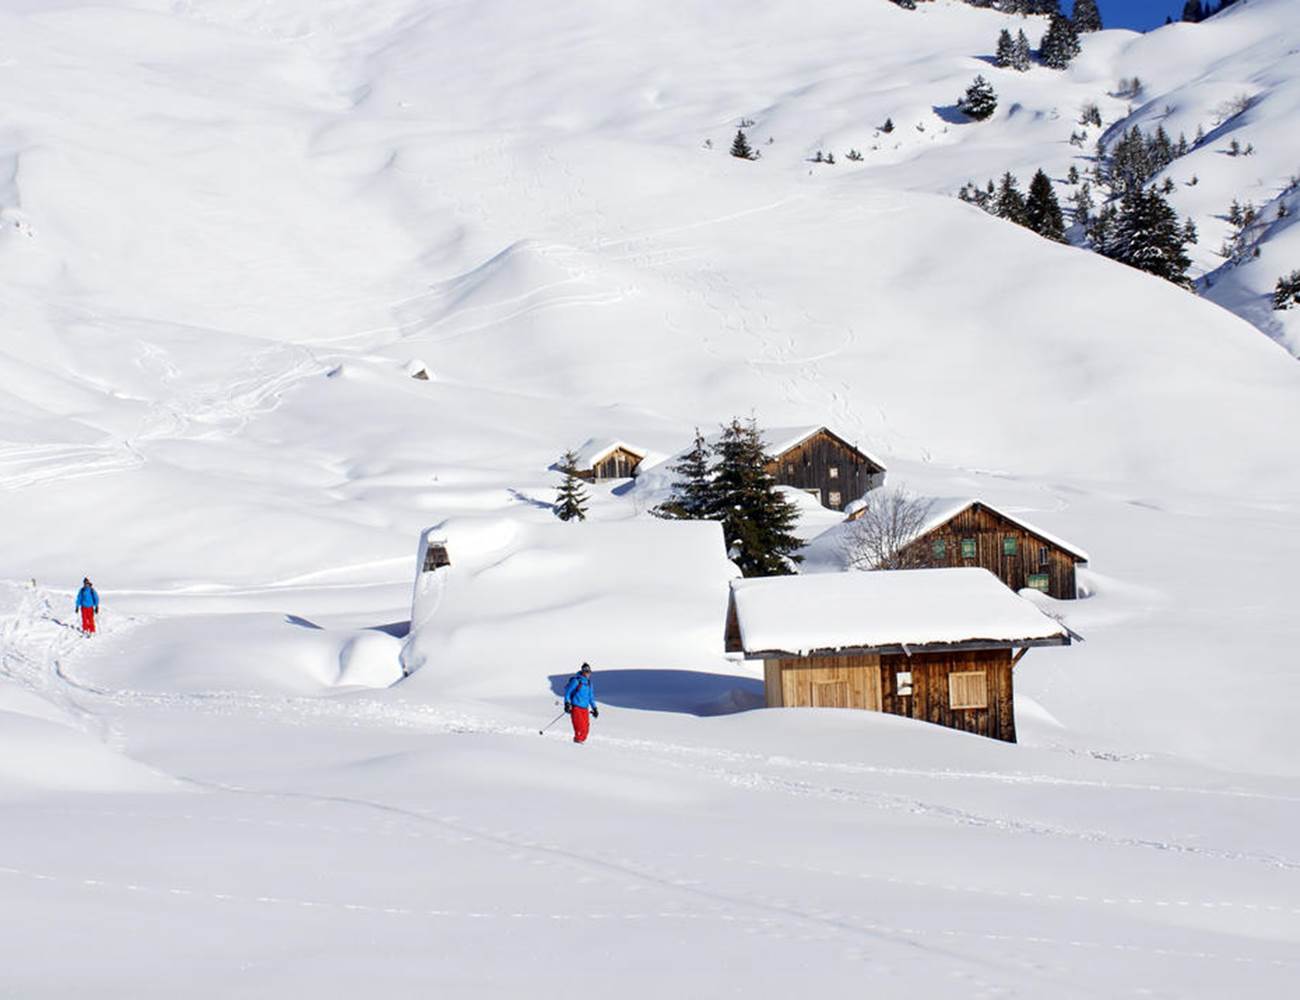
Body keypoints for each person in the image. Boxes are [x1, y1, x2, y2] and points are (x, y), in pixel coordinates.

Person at [563, 662, 599, 744]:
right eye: (586, 671)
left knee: (586, 730)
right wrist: (567, 703)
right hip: (576, 707)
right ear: (582, 671)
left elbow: (591, 697)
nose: (588, 673)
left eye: (589, 672)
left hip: (585, 709)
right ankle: (577, 744)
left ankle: (580, 743)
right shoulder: (576, 681)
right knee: (579, 728)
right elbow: (568, 693)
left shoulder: (589, 683)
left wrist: (595, 708)